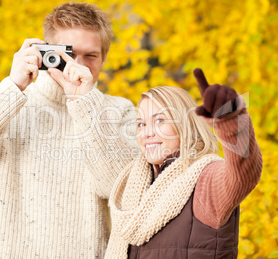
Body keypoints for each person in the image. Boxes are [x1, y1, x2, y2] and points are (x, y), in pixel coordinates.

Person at [0, 2, 138, 258]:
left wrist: (84, 105)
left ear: (104, 58)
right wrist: (12, 86)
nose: (78, 65)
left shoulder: (120, 110)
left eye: (91, 56)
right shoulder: (10, 101)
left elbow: (119, 189)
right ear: (46, 52)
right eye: (69, 53)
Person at [105, 68, 263, 258]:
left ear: (185, 125)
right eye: (141, 124)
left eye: (160, 121)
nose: (147, 133)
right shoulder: (131, 185)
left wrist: (231, 121)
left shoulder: (205, 177)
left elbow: (243, 174)